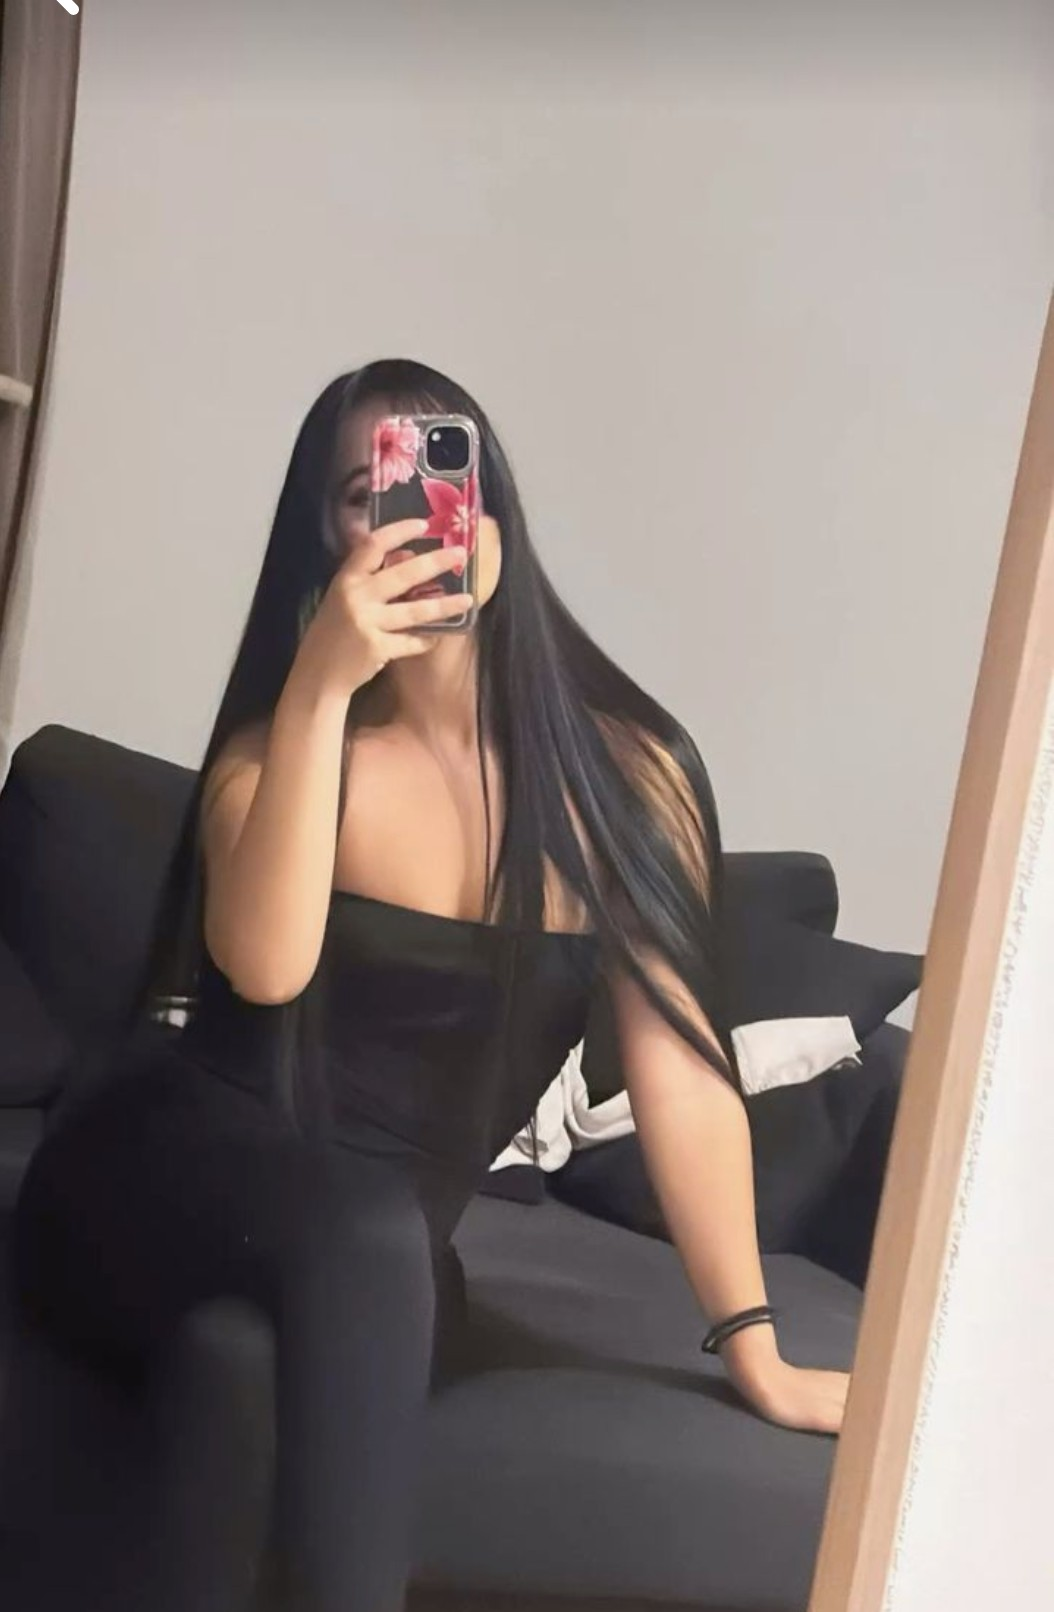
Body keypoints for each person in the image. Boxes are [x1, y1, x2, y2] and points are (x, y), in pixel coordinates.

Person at [8, 359, 850, 1612]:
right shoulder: (278, 753)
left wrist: (757, 1350)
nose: (412, 517)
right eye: (368, 495)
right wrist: (321, 680)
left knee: (244, 1360)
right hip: (163, 1170)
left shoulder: (632, 775)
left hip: (374, 1259)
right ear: (323, 540)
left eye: (442, 476)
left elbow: (680, 1070)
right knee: (363, 1237)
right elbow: (267, 965)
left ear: (494, 514)